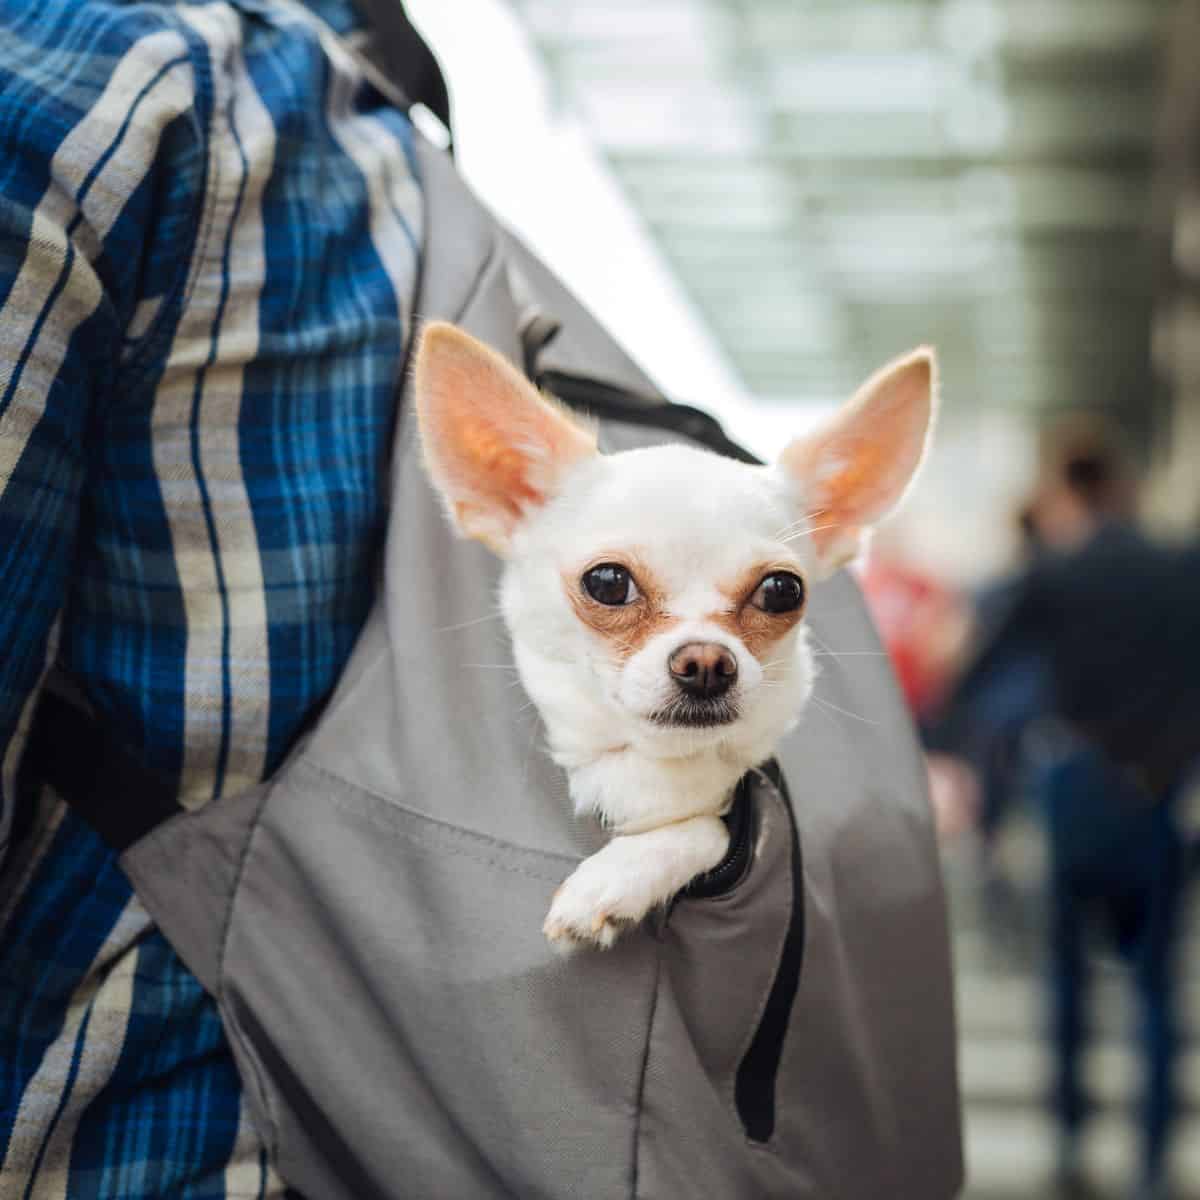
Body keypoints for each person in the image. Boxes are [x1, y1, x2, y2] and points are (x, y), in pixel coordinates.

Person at [0, 2, 964, 1196]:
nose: (705, 651)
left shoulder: (104, 77)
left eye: (767, 599)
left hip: (138, 1094)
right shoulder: (377, 165)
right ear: (495, 487)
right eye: (617, 592)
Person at [932, 420, 1200, 1200]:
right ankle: (1151, 1164)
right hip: (1159, 796)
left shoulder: (1055, 574)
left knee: (1068, 982)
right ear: (1124, 489)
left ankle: (1071, 1144)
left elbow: (974, 678)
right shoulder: (1186, 569)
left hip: (1076, 787)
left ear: (1063, 494)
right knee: (1155, 989)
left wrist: (957, 758)